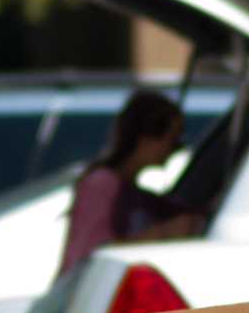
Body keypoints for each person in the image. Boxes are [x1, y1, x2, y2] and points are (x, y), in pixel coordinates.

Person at [56, 89, 204, 276]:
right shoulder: (100, 186)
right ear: (146, 138)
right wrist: (161, 234)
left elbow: (185, 213)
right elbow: (87, 256)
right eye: (173, 139)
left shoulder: (137, 196)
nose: (176, 149)